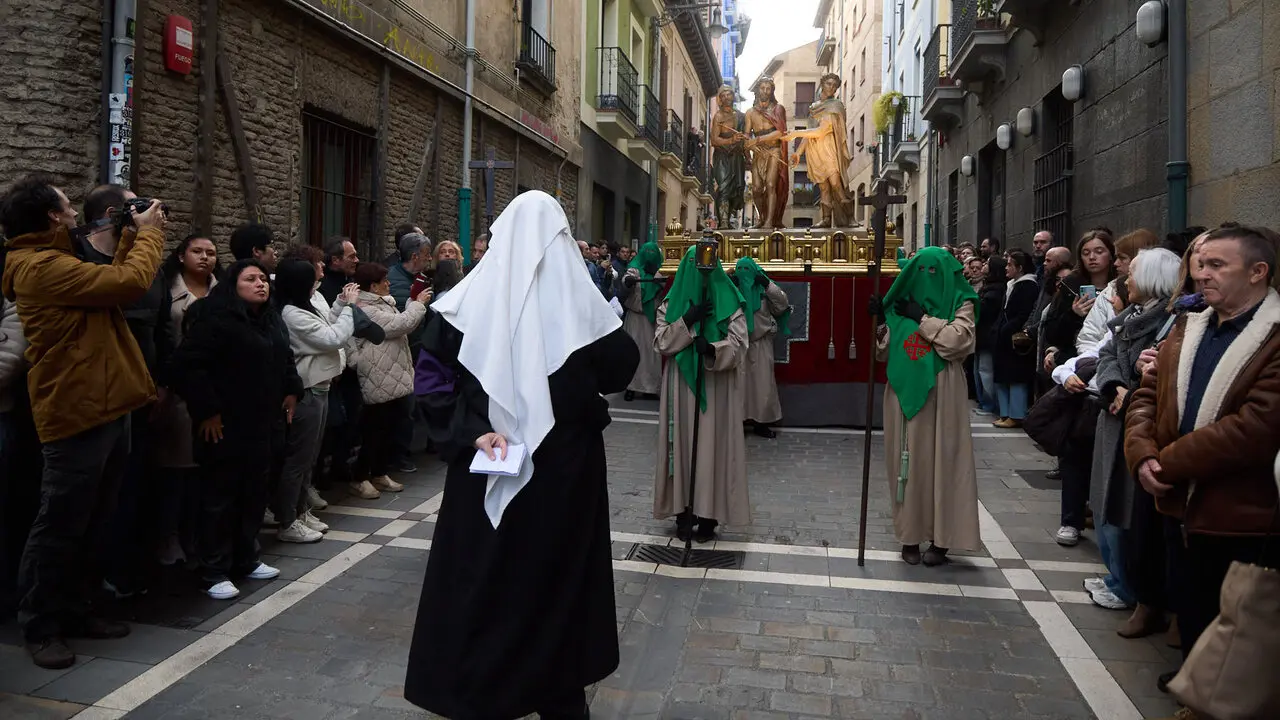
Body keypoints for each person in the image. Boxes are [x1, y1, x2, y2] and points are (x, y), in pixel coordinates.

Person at [405, 191, 638, 719]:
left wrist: (472, 432)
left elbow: (431, 382)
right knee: (555, 584)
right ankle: (553, 693)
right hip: (562, 475)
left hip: (492, 466)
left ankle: (490, 692)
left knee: (491, 581)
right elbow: (621, 367)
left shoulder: (463, 302)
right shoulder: (579, 308)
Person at [1, 176, 166, 668]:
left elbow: (111, 287)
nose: (74, 210)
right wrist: (153, 234)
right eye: (67, 205)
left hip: (106, 402)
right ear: (52, 216)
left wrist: (133, 235)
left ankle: (78, 607)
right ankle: (40, 624)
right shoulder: (36, 266)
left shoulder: (61, 257)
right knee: (60, 523)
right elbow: (129, 284)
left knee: (95, 520)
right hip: (74, 409)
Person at [1124, 225, 1280, 690]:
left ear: (1258, 272)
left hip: (1238, 514)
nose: (1201, 275)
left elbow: (1254, 428)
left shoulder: (1272, 338)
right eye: (1200, 264)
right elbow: (1148, 396)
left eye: (1217, 266)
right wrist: (1141, 454)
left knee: (1232, 622)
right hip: (1179, 507)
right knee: (1189, 607)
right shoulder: (1190, 326)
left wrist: (1166, 463)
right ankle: (1193, 686)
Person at [169, 260, 302, 600]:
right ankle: (214, 569)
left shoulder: (270, 318)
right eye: (250, 279)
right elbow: (189, 367)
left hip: (262, 422)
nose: (260, 284)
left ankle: (246, 556)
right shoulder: (215, 319)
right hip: (225, 423)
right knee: (219, 497)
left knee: (253, 493)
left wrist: (291, 388)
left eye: (262, 278)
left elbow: (284, 355)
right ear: (233, 285)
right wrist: (208, 411)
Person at [77, 184, 173, 598]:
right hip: (93, 399)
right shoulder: (77, 260)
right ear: (116, 212)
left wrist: (162, 383)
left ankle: (121, 570)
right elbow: (124, 285)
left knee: (132, 486)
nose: (153, 213)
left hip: (141, 394)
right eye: (139, 206)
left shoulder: (147, 264)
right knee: (86, 502)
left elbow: (164, 327)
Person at [1079, 248, 1181, 622]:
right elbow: (1106, 356)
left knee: (1123, 508)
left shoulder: (1170, 321)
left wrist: (1131, 383)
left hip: (1135, 424)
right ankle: (1116, 576)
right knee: (1105, 502)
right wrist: (1112, 386)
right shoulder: (1131, 316)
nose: (1127, 281)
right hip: (1114, 413)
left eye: (1134, 274)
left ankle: (1129, 586)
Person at [871, 247, 981, 566]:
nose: (927, 279)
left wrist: (922, 318)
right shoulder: (900, 304)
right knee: (908, 463)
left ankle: (942, 540)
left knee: (945, 462)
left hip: (945, 389)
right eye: (921, 271)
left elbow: (958, 341)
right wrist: (880, 323)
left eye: (934, 272)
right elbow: (883, 353)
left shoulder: (962, 302)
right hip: (904, 393)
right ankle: (909, 535)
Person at [653, 245, 750, 543]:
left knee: (711, 447)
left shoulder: (730, 301)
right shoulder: (671, 303)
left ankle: (708, 515)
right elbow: (660, 342)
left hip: (714, 386)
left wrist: (711, 349)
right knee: (681, 445)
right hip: (681, 385)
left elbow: (739, 345)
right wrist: (686, 321)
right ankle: (683, 512)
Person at [274, 258, 358, 543]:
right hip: (307, 391)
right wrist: (349, 307)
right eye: (312, 281)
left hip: (320, 388)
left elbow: (327, 323)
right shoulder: (290, 313)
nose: (316, 286)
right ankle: (288, 519)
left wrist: (339, 304)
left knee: (309, 458)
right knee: (298, 459)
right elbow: (332, 337)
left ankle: (301, 510)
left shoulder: (304, 306)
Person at [151, 235, 221, 565]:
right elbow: (161, 339)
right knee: (175, 468)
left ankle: (197, 534)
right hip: (178, 389)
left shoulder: (224, 291)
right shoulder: (166, 290)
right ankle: (168, 537)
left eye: (210, 252)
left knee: (207, 469)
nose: (205, 258)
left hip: (217, 388)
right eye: (197, 251)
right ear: (181, 256)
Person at [350, 263, 430, 499]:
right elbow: (398, 325)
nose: (389, 284)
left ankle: (379, 472)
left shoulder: (383, 302)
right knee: (375, 428)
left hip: (391, 373)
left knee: (388, 427)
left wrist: (411, 305)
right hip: (377, 373)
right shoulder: (365, 307)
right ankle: (360, 477)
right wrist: (417, 305)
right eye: (384, 281)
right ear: (373, 287)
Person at [733, 256, 791, 438]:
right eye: (739, 270)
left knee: (762, 386)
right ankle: (737, 422)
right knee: (738, 386)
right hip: (738, 343)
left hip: (761, 344)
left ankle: (761, 423)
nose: (744, 274)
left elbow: (782, 305)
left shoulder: (765, 288)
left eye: (747, 270)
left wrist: (767, 284)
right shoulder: (732, 288)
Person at [991, 250, 1039, 428]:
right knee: (1003, 377)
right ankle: (1004, 413)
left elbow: (1022, 312)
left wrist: (1007, 329)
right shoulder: (1011, 284)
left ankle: (1016, 414)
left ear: (1020, 267)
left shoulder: (1027, 286)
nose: (1006, 267)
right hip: (1003, 337)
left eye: (1010, 264)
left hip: (1014, 339)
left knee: (1015, 377)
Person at [620, 241, 665, 402]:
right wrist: (629, 281)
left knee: (651, 354)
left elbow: (666, 287)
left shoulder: (660, 271)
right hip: (635, 318)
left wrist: (656, 277)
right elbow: (626, 279)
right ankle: (631, 386)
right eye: (647, 251)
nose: (650, 255)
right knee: (633, 352)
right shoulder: (635, 269)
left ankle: (650, 388)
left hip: (652, 318)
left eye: (653, 252)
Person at [319, 236, 360, 302]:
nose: (357, 260)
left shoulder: (352, 280)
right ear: (335, 260)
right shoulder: (320, 286)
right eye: (352, 257)